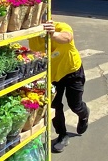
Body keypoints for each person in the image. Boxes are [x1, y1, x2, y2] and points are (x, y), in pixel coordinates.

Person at [29, 20, 89, 153]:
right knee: (54, 106)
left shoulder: (60, 26)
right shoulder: (33, 36)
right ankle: (62, 135)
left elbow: (67, 37)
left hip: (72, 71)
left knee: (75, 104)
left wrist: (53, 34)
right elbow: (36, 54)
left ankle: (84, 115)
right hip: (52, 75)